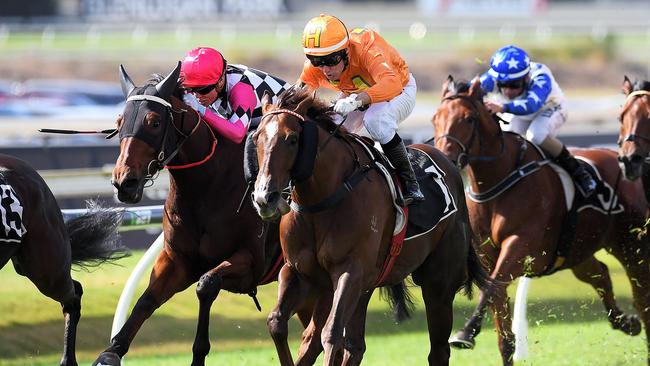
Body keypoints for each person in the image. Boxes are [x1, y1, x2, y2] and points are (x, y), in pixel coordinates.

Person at [297, 14, 424, 206]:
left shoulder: (367, 49)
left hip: (399, 90)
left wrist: (356, 100)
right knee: (328, 125)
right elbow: (296, 93)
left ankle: (410, 183)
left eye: (331, 60)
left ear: (345, 51)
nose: (325, 69)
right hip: (356, 95)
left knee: (375, 121)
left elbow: (392, 83)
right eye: (316, 61)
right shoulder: (320, 61)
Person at [479, 45, 597, 197]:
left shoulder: (541, 76)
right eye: (503, 85)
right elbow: (466, 90)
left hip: (550, 108)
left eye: (514, 85)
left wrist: (502, 106)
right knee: (507, 138)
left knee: (536, 135)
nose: (508, 91)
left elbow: (531, 104)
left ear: (526, 77)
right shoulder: (493, 77)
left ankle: (578, 172)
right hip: (518, 111)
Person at [180, 46, 292, 145]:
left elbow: (237, 135)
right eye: (190, 89)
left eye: (203, 90)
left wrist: (201, 110)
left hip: (292, 119)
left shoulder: (242, 89)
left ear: (221, 80)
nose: (196, 96)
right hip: (260, 126)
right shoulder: (212, 78)